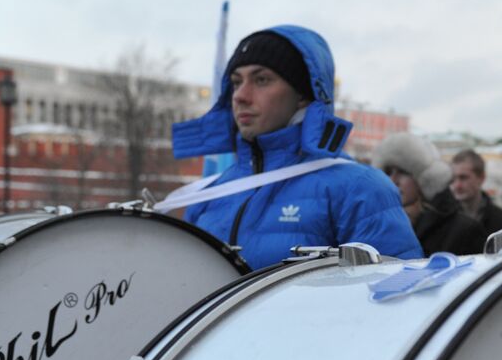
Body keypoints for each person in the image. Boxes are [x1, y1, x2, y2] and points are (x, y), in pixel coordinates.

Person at [171, 25, 420, 269]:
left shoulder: (360, 189)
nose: (240, 96)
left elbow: (397, 296)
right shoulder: (209, 194)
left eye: (261, 80)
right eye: (236, 82)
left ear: (303, 94)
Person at [372, 133, 486, 256]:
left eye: (403, 172)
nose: (393, 180)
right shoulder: (378, 226)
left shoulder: (464, 230)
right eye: (388, 172)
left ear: (425, 178)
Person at [449, 149, 502, 235]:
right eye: (453, 179)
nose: (457, 185)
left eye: (463, 177)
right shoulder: (441, 221)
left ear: (481, 178)